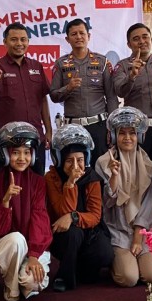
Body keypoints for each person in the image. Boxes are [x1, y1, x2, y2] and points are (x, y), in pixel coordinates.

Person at [0, 122, 53, 301]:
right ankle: (11, 288)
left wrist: (33, 256)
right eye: (15, 152)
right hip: (6, 244)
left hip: (32, 246)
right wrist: (6, 201)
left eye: (26, 152)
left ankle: (21, 279)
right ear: (5, 155)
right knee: (16, 239)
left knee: (32, 283)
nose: (22, 158)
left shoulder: (39, 182)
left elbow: (40, 219)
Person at [112, 23, 152, 219]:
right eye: (136, 38)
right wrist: (131, 76)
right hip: (139, 131)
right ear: (129, 43)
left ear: (151, 38)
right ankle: (141, 217)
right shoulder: (122, 66)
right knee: (141, 174)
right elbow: (118, 91)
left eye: (145, 36)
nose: (141, 41)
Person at [94, 107, 152, 287]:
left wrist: (138, 238)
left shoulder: (148, 163)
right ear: (114, 136)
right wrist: (114, 176)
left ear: (139, 136)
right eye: (122, 133)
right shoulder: (103, 162)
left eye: (132, 133)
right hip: (117, 229)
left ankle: (134, 259)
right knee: (129, 278)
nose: (127, 138)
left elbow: (148, 205)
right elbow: (105, 203)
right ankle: (117, 264)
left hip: (143, 229)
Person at [45, 124, 113, 292]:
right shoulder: (51, 178)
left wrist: (74, 217)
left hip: (89, 231)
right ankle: (63, 276)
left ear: (87, 159)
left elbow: (95, 216)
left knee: (105, 254)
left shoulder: (92, 178)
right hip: (63, 235)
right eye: (69, 160)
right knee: (73, 233)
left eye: (80, 160)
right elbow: (62, 212)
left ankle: (79, 267)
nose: (76, 166)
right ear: (59, 160)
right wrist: (70, 184)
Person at [0, 22, 53, 175]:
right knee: (5, 186)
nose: (19, 43)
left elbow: (43, 100)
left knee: (36, 185)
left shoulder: (37, 66)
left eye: (23, 39)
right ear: (5, 42)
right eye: (14, 39)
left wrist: (49, 130)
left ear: (28, 42)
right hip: (6, 141)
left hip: (35, 138)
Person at [49, 18, 119, 163]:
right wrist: (68, 88)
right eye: (74, 34)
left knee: (100, 168)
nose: (79, 37)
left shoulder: (102, 62)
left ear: (89, 36)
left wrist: (111, 128)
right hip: (72, 127)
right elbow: (54, 96)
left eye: (82, 33)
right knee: (76, 169)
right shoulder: (61, 64)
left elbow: (111, 97)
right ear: (67, 39)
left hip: (99, 126)